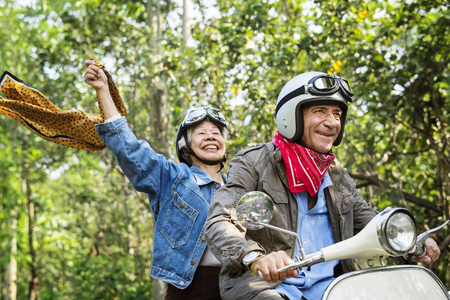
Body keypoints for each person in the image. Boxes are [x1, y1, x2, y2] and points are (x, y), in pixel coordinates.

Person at [204, 71, 441, 300]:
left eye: (337, 114)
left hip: (336, 289)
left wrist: (411, 242)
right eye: (319, 111)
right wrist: (254, 256)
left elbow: (373, 224)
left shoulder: (337, 175)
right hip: (271, 289)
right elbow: (220, 220)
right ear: (291, 116)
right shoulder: (253, 163)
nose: (332, 123)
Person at [83, 59, 227, 300]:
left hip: (239, 287)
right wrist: (103, 91)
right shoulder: (172, 178)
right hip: (188, 289)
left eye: (216, 133)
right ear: (186, 147)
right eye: (201, 133)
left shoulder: (241, 186)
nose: (210, 137)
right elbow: (129, 149)